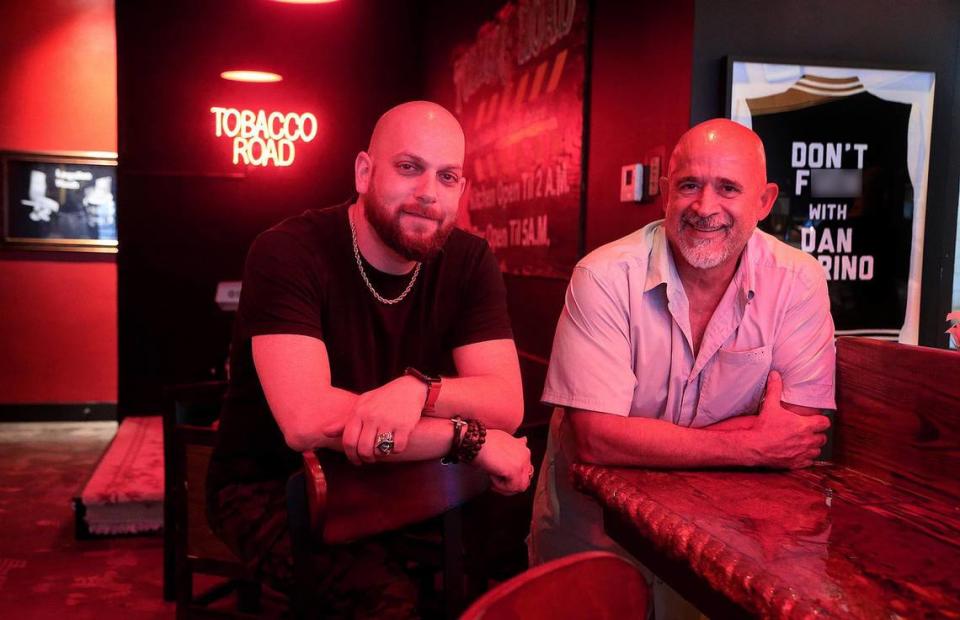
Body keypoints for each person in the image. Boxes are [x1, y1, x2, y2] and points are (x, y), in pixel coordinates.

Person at [207, 100, 534, 618]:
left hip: (400, 481)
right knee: (387, 603)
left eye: (447, 176)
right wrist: (467, 438)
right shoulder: (287, 251)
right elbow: (307, 423)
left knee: (507, 578)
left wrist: (419, 390)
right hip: (273, 484)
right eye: (409, 168)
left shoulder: (469, 261)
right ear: (364, 171)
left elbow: (506, 403)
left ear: (462, 191)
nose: (429, 192)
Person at [529, 119, 835, 569]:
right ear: (668, 190)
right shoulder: (603, 276)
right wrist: (752, 445)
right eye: (690, 185)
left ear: (765, 201)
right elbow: (596, 438)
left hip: (729, 540)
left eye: (728, 188)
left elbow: (797, 429)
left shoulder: (797, 281)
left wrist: (644, 441)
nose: (705, 206)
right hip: (598, 537)